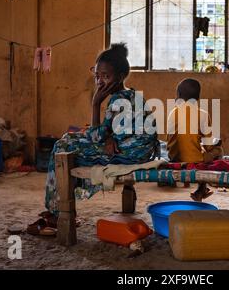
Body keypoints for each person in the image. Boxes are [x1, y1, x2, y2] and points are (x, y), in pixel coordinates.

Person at [28, 43, 159, 236]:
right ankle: (57, 208)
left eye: (106, 76)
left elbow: (96, 136)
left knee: (62, 146)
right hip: (136, 148)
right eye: (97, 75)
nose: (99, 81)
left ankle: (57, 213)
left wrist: (95, 104)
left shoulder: (117, 100)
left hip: (130, 154)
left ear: (121, 76)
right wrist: (108, 137)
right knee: (70, 139)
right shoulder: (131, 94)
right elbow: (107, 132)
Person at [167, 78, 223, 202]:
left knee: (198, 148)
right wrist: (215, 146)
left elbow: (171, 139)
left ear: (179, 96)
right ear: (197, 97)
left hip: (173, 157)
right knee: (217, 150)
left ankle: (201, 189)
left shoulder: (172, 113)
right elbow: (208, 146)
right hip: (193, 159)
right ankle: (202, 188)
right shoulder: (202, 114)